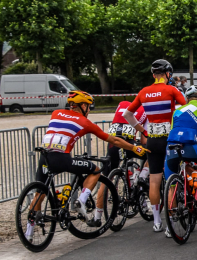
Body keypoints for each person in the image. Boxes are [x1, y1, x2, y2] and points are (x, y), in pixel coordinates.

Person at [32, 91, 148, 232]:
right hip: (62, 158)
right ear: (82, 106)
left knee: (40, 191)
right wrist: (133, 148)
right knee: (95, 170)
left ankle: (29, 231)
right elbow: (114, 139)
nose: (89, 110)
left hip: (44, 156)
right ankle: (81, 200)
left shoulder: (55, 113)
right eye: (88, 107)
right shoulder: (85, 122)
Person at [124, 59, 187, 232]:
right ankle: (171, 224)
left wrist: (142, 131)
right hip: (169, 139)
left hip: (152, 139)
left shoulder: (144, 91)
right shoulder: (171, 89)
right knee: (171, 179)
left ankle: (157, 221)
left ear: (153, 75)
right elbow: (186, 108)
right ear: (168, 74)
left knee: (154, 179)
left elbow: (127, 114)